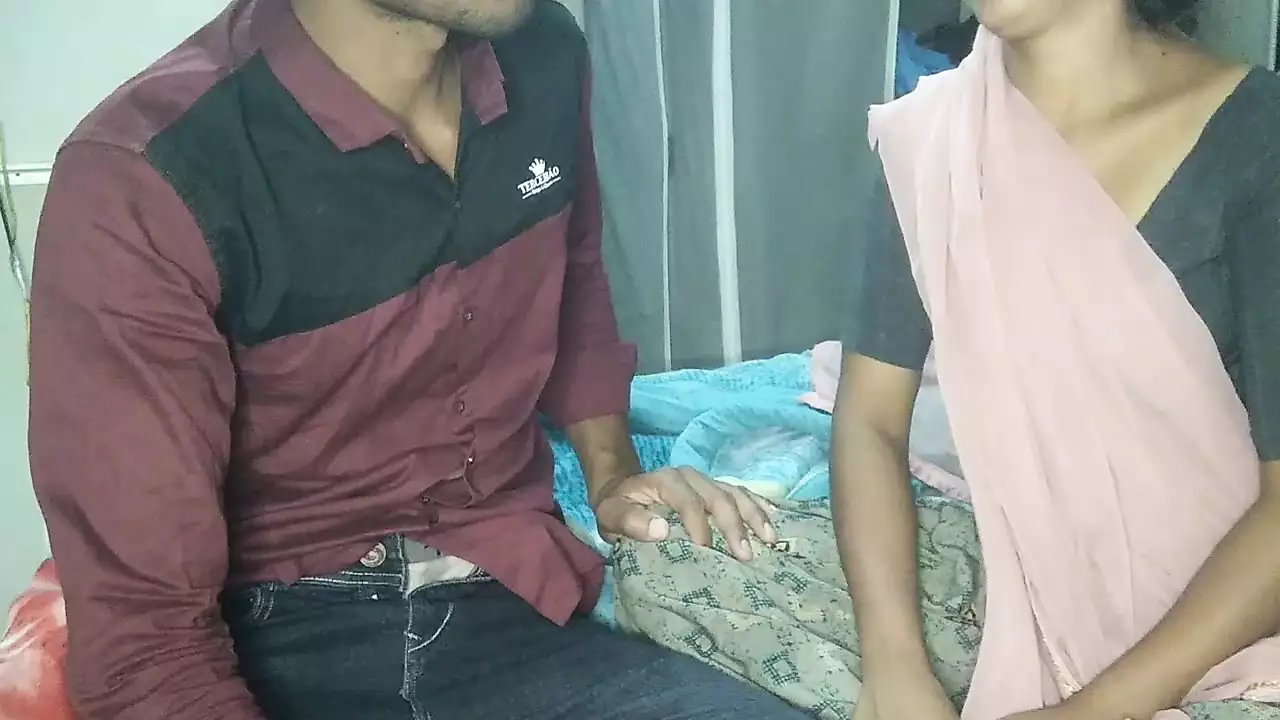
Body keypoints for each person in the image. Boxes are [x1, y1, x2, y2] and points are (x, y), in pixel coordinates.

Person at [26, 1, 811, 718]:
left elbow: (573, 274)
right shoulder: (146, 177)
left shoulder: (543, 51)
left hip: (513, 600)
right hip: (288, 632)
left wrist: (612, 475)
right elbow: (149, 647)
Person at [833, 0, 1280, 718]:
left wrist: (1094, 711)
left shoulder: (1257, 135)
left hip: (1233, 626)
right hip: (1026, 598)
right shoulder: (932, 141)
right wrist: (894, 666)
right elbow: (870, 420)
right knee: (677, 560)